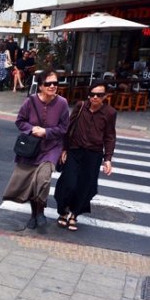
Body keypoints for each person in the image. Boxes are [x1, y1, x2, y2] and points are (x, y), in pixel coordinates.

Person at [2, 70, 69, 229]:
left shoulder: (62, 103)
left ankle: (40, 212)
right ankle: (34, 214)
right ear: (40, 86)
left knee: (43, 179)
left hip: (51, 148)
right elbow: (20, 121)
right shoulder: (30, 101)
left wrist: (46, 132)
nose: (52, 86)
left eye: (55, 83)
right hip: (31, 148)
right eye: (48, 83)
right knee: (32, 184)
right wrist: (32, 129)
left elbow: (64, 128)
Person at [53, 81, 116, 231]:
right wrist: (64, 149)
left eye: (99, 95)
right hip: (75, 151)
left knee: (85, 186)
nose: (94, 97)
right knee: (69, 182)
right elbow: (69, 129)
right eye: (92, 94)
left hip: (93, 155)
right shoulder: (80, 106)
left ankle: (74, 214)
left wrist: (107, 159)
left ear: (105, 96)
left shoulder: (110, 113)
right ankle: (63, 210)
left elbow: (109, 136)